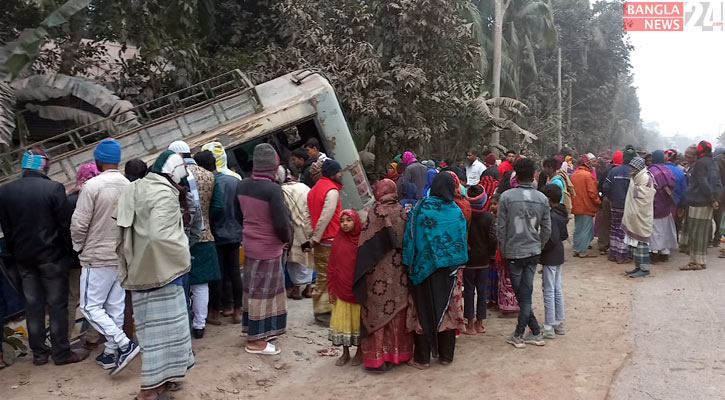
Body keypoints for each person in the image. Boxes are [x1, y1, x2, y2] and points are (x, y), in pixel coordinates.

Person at [116, 150, 195, 400]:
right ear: (173, 175)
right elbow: (159, 236)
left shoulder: (136, 187)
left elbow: (122, 231)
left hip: (139, 272)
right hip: (164, 274)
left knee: (152, 333)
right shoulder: (164, 192)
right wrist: (182, 252)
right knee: (166, 336)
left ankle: (164, 382)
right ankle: (148, 392)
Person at [0, 149, 87, 366]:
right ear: (44, 165)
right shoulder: (53, 189)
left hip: (23, 259)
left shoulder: (5, 192)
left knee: (33, 305)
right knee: (57, 305)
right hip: (52, 257)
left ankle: (39, 354)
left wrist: (16, 253)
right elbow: (64, 226)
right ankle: (61, 352)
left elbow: (7, 229)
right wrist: (69, 254)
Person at [71, 139, 139, 374]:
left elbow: (79, 224)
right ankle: (110, 354)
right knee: (115, 306)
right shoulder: (129, 185)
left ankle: (124, 344)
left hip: (96, 255)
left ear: (98, 160)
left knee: (90, 307)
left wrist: (79, 247)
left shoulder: (92, 186)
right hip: (121, 254)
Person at [403, 173, 467, 368]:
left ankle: (422, 358)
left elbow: (409, 238)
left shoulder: (420, 209)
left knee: (423, 308)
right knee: (448, 310)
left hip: (424, 269)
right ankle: (446, 355)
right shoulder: (456, 211)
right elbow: (461, 238)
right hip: (450, 270)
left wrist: (407, 263)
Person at [236, 143, 292, 355]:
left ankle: (259, 329)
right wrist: (285, 239)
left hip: (250, 244)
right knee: (265, 293)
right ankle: (257, 341)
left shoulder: (242, 185)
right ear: (273, 166)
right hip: (269, 247)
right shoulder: (272, 189)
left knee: (253, 289)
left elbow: (237, 215)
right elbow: (280, 223)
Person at [353, 179, 414, 373]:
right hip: (399, 272)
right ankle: (398, 354)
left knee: (377, 311)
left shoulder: (375, 212)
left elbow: (365, 245)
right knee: (397, 310)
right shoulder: (402, 211)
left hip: (377, 273)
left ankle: (377, 360)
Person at [497, 158, 551, 348]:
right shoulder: (542, 198)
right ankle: (535, 331)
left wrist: (504, 250)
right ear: (534, 174)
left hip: (514, 252)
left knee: (523, 295)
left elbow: (501, 229)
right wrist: (539, 246)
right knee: (524, 294)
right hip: (533, 251)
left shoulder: (506, 197)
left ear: (516, 175)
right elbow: (546, 229)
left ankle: (520, 334)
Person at [177, 148, 223, 339]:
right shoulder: (209, 176)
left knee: (182, 285)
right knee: (201, 284)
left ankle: (185, 324)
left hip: (179, 239)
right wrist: (206, 220)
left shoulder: (174, 176)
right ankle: (200, 325)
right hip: (205, 236)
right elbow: (219, 206)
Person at [201, 143, 244, 325]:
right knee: (235, 272)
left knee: (217, 274)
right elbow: (242, 209)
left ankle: (215, 313)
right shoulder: (235, 181)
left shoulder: (207, 184)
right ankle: (237, 310)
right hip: (234, 233)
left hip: (215, 234)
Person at [66, 163, 101, 350]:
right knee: (95, 299)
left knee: (72, 298)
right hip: (97, 257)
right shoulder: (99, 195)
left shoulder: (69, 199)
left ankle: (66, 337)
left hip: (73, 258)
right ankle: (92, 338)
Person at [307, 159, 344, 322]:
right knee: (329, 275)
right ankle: (323, 311)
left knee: (322, 274)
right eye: (339, 172)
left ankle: (321, 309)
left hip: (320, 240)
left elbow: (309, 216)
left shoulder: (313, 190)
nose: (341, 174)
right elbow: (326, 217)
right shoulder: (332, 191)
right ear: (333, 173)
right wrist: (316, 237)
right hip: (329, 239)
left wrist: (312, 236)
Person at [327, 210, 363, 366]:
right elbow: (332, 266)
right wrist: (330, 289)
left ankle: (360, 352)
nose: (345, 224)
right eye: (342, 221)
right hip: (341, 289)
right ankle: (345, 352)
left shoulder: (362, 241)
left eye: (349, 220)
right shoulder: (338, 241)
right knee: (344, 322)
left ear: (356, 221)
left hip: (357, 289)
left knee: (358, 322)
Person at [681, 141, 723, 270]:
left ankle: (696, 262)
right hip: (708, 203)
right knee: (703, 232)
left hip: (698, 202)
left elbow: (702, 182)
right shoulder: (713, 163)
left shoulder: (699, 164)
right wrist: (715, 199)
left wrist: (710, 198)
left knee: (695, 232)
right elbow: (718, 183)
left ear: (699, 151)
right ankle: (701, 260)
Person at [463, 185, 496, 335]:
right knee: (482, 290)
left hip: (468, 259)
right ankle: (480, 322)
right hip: (483, 259)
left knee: (469, 290)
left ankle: (469, 323)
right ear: (483, 199)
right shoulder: (489, 217)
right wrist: (492, 254)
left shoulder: (465, 216)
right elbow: (493, 238)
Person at [540, 184, 569, 339]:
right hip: (558, 253)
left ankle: (549, 325)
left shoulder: (551, 215)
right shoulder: (562, 213)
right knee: (556, 288)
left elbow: (551, 238)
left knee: (549, 290)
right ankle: (558, 322)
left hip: (550, 255)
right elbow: (563, 236)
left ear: (548, 199)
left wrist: (540, 248)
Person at [622, 157, 656, 278]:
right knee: (634, 244)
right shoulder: (635, 177)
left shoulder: (646, 177)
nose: (630, 169)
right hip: (634, 216)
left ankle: (645, 269)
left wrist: (635, 189)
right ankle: (637, 267)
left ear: (637, 168)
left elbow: (647, 195)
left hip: (642, 216)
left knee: (641, 243)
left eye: (632, 167)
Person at [281, 178, 315, 300]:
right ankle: (308, 288)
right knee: (308, 258)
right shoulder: (306, 187)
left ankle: (296, 290)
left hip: (294, 231)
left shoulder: (283, 190)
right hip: (308, 228)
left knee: (295, 260)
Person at [604, 146, 636, 263]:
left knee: (614, 228)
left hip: (615, 205)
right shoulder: (634, 172)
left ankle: (613, 253)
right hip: (628, 206)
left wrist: (611, 198)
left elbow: (606, 187)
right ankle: (621, 255)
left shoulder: (614, 171)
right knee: (624, 230)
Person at [648, 150, 678, 263]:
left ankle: (654, 253)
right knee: (665, 230)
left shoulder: (651, 171)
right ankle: (665, 253)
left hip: (655, 206)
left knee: (654, 230)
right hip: (667, 206)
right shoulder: (668, 170)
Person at [570, 154, 601, 258]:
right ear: (587, 163)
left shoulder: (574, 174)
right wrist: (598, 202)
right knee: (586, 229)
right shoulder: (588, 175)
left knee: (578, 228)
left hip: (576, 205)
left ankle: (576, 249)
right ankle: (582, 251)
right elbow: (592, 193)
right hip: (587, 206)